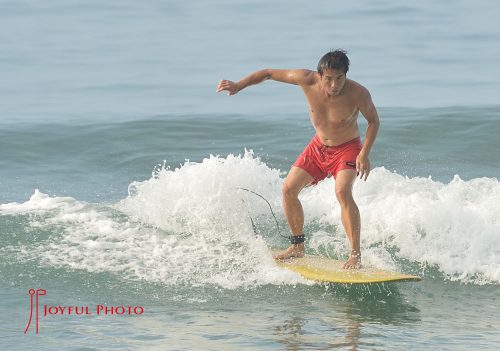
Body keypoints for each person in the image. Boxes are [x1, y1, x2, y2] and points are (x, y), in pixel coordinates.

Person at [216, 50, 380, 269]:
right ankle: (297, 246)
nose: (334, 85)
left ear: (346, 75)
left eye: (339, 79)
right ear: (319, 75)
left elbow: (373, 122)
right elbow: (267, 73)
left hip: (347, 149)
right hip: (318, 147)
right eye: (328, 79)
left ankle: (355, 255)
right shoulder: (305, 79)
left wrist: (364, 153)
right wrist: (239, 85)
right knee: (288, 190)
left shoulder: (359, 93)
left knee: (342, 192)